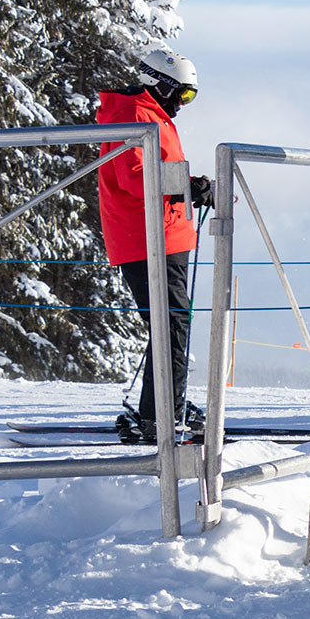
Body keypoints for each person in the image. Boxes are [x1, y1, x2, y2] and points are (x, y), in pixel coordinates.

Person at [96, 49, 212, 444]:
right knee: (171, 323)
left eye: (190, 97)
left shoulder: (150, 114)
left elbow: (158, 172)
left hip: (163, 234)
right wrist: (188, 186)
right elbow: (135, 177)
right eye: (183, 94)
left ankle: (165, 405)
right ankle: (160, 414)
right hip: (146, 237)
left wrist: (192, 187)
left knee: (171, 323)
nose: (182, 104)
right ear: (160, 85)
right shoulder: (133, 115)